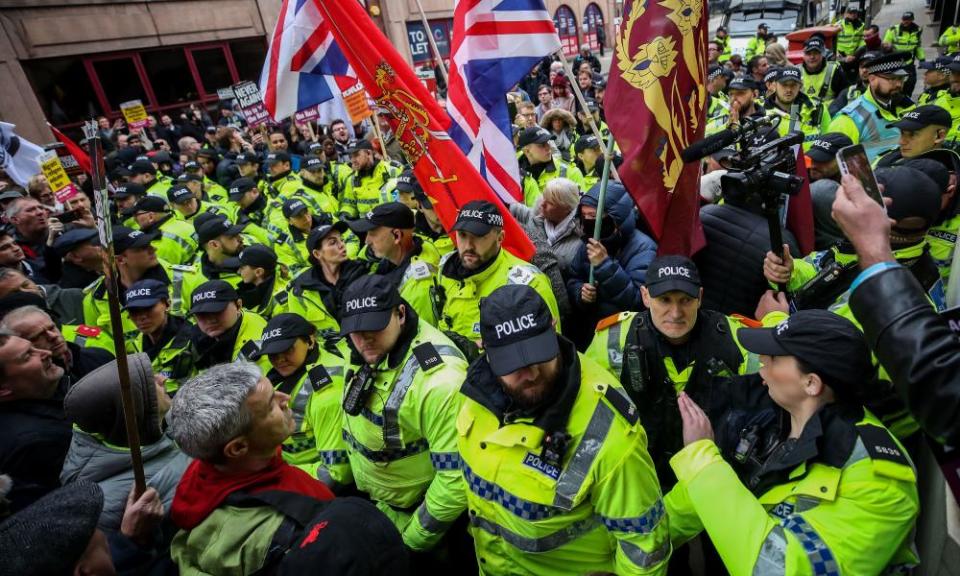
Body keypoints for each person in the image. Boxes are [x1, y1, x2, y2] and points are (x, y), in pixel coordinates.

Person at [664, 310, 919, 575]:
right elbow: (690, 504)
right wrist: (645, 541)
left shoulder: (881, 483)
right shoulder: (779, 413)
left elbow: (778, 569)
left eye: (773, 357)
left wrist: (703, 462)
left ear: (811, 383)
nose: (761, 360)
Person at [458, 284, 670, 574]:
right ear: (484, 349)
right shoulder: (472, 393)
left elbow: (645, 548)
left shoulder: (610, 432)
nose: (531, 373)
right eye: (513, 364)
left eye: (539, 354)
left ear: (554, 327)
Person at [586, 256, 757, 484]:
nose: (675, 313)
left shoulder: (737, 340)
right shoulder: (613, 338)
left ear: (700, 298)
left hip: (709, 475)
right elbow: (587, 407)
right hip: (638, 473)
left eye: (685, 300)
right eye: (664, 300)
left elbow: (761, 411)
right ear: (646, 296)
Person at [338, 275, 469, 556]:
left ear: (400, 313)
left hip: (423, 523)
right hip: (381, 505)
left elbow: (454, 480)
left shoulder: (441, 381)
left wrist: (411, 542)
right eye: (355, 330)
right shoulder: (365, 348)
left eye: (374, 327)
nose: (363, 339)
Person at [167, 362, 338, 575]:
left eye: (274, 391)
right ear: (238, 447)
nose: (285, 399)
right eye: (270, 407)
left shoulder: (196, 481)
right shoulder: (294, 520)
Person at [834, 172, 960, 444]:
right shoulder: (917, 272)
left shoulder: (886, 300)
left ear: (884, 223)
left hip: (860, 432)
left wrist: (778, 319)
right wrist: (793, 271)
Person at [60, 353, 189, 532]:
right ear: (137, 407)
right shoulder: (104, 504)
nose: (162, 379)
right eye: (151, 382)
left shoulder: (164, 425)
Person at [435, 200, 560, 343]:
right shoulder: (446, 268)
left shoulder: (530, 284)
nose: (468, 245)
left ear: (500, 238)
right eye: (462, 235)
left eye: (479, 236)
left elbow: (549, 354)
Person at [249, 313, 350, 484]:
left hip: (315, 484)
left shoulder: (327, 394)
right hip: (288, 466)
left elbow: (336, 473)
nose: (280, 359)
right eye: (273, 354)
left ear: (310, 341)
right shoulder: (282, 373)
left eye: (288, 349)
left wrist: (278, 474)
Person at [567, 181, 658, 343]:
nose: (589, 222)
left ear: (617, 216)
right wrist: (580, 293)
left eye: (594, 216)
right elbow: (574, 278)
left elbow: (639, 300)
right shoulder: (589, 242)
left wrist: (604, 265)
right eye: (584, 216)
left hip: (626, 336)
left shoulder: (643, 248)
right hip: (592, 332)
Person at [82, 226, 199, 340]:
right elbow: (99, 344)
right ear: (120, 259)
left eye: (149, 244)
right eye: (142, 248)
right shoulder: (94, 300)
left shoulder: (185, 278)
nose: (153, 249)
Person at [0, 333, 70, 512]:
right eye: (27, 356)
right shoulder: (35, 443)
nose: (45, 352)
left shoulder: (54, 396)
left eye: (34, 347)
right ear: (3, 390)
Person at [348, 202, 441, 325]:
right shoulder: (418, 244)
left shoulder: (418, 288)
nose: (366, 241)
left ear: (396, 235)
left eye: (372, 233)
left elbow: (416, 337)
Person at [281, 221, 369, 338]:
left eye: (341, 240)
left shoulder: (362, 270)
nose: (342, 245)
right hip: (335, 353)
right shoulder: (300, 291)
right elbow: (302, 334)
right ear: (317, 254)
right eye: (333, 242)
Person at [828, 52, 916, 162]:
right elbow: (839, 166)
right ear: (872, 79)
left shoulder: (907, 106)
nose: (899, 84)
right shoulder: (848, 119)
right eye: (892, 78)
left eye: (901, 78)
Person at [1, 304, 112, 382]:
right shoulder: (37, 384)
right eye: (38, 336)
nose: (53, 336)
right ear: (21, 344)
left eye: (52, 328)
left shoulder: (100, 356)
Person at [123, 279, 196, 394]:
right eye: (134, 311)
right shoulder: (131, 345)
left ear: (167, 304)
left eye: (148, 308)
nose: (141, 317)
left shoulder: (195, 339)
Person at [189, 279, 269, 371]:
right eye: (201, 314)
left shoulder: (258, 351)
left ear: (238, 306)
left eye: (217, 311)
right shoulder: (193, 335)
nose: (210, 320)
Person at [509, 176, 582, 273]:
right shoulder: (535, 217)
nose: (542, 204)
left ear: (566, 208)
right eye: (544, 198)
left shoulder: (579, 241)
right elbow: (507, 206)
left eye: (550, 203)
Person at [805, 133, 855, 249]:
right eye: (813, 159)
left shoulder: (856, 191)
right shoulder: (804, 178)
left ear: (845, 162)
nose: (813, 165)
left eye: (822, 160)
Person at [517, 126, 584, 206]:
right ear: (527, 151)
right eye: (541, 145)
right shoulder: (513, 174)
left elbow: (580, 210)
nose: (548, 147)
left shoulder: (571, 172)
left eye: (548, 142)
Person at [764, 67, 831, 146]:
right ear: (775, 85)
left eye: (793, 85)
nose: (789, 89)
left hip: (813, 157)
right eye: (784, 84)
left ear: (800, 85)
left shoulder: (817, 108)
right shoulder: (762, 112)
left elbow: (829, 140)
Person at [126, 195, 199, 266]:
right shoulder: (183, 223)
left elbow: (161, 272)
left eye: (136, 214)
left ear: (151, 217)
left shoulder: (159, 243)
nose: (134, 218)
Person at [340, 139, 399, 220]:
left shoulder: (391, 170)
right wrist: (346, 215)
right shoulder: (352, 179)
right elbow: (349, 205)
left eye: (356, 155)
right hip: (366, 226)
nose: (352, 160)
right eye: (351, 156)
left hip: (391, 222)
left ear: (368, 153)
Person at [236, 244, 288, 318]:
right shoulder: (248, 290)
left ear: (259, 272)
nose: (238, 271)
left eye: (242, 268)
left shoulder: (281, 303)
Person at [194, 215, 245, 286]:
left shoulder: (255, 256)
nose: (241, 239)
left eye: (238, 234)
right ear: (214, 244)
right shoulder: (197, 279)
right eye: (233, 236)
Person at [883, 12, 925, 96]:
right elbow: (885, 43)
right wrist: (887, 46)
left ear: (912, 20)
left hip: (909, 62)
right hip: (895, 62)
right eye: (904, 19)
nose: (905, 21)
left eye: (907, 20)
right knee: (895, 83)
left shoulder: (917, 30)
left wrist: (922, 59)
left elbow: (918, 46)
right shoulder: (893, 30)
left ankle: (907, 97)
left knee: (911, 82)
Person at [799, 36, 846, 104]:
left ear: (823, 54)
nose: (812, 57)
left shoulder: (834, 70)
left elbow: (844, 96)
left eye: (815, 53)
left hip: (829, 113)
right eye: (808, 53)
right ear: (803, 55)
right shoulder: (797, 72)